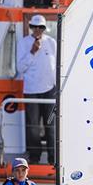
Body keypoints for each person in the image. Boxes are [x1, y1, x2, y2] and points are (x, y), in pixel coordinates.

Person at [17, 14, 57, 164]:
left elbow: (55, 67)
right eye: (35, 27)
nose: (38, 30)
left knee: (51, 126)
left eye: (41, 27)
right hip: (31, 90)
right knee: (33, 127)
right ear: (31, 27)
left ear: (45, 28)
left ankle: (53, 159)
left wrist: (57, 89)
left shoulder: (52, 42)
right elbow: (20, 68)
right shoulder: (24, 43)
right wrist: (32, 52)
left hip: (50, 90)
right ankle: (34, 158)